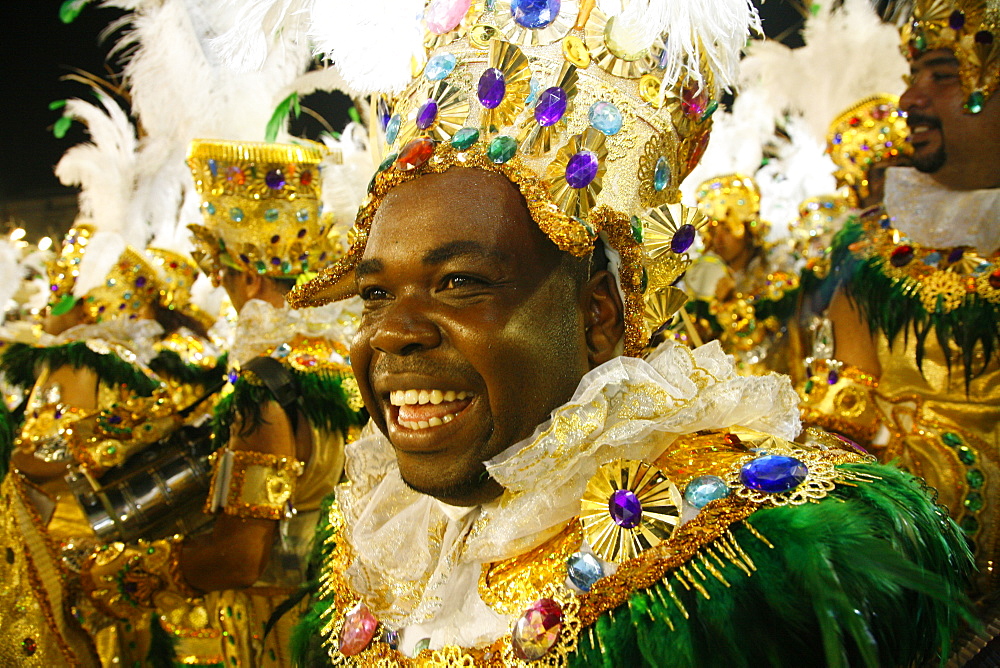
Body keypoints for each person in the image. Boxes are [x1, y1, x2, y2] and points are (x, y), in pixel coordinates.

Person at [239, 0, 975, 665]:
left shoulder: (740, 572)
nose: (392, 333)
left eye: (460, 282)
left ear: (598, 314)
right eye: (374, 294)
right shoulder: (383, 548)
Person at [82, 139, 367, 667]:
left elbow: (240, 556)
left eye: (222, 274)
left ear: (251, 277)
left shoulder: (264, 385)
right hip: (343, 616)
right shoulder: (346, 355)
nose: (223, 290)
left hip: (274, 627)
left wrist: (127, 576)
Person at [797, 0, 1000, 630]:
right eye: (915, 74)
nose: (909, 99)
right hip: (919, 581)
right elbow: (847, 409)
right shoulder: (871, 243)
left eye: (942, 74)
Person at [686, 174, 800, 374]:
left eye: (727, 230)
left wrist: (730, 304)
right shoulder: (703, 278)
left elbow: (770, 344)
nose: (718, 240)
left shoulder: (775, 273)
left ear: (748, 229)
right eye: (712, 231)